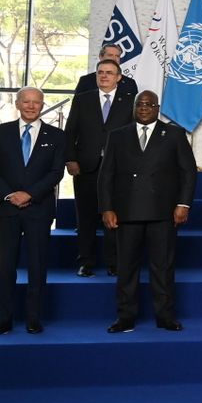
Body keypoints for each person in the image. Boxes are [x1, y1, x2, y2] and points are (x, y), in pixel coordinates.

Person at [99, 91, 196, 333]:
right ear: (134, 107)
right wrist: (107, 207)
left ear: (157, 108)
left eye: (149, 104)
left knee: (162, 267)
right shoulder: (118, 135)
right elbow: (106, 175)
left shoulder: (173, 134)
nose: (143, 108)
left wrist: (183, 204)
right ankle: (125, 317)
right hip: (127, 211)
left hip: (163, 212)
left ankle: (165, 316)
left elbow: (188, 172)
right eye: (139, 104)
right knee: (126, 268)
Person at [0, 87, 66, 335]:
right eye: (26, 102)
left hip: (38, 209)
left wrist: (30, 194)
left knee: (37, 266)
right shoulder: (1, 132)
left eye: (36, 102)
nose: (31, 106)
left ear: (42, 105)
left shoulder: (57, 135)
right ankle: (3, 320)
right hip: (6, 208)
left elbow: (56, 172)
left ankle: (33, 319)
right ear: (17, 104)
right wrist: (11, 195)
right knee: (6, 266)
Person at [63, 57, 132, 276]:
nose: (104, 76)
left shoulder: (129, 101)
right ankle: (86, 262)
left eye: (109, 73)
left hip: (118, 169)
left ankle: (114, 263)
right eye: (100, 72)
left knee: (115, 216)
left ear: (118, 78)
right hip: (85, 167)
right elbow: (70, 131)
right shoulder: (83, 99)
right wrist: (70, 159)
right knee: (85, 218)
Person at [71, 42, 139, 102]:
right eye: (110, 55)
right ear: (101, 57)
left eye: (117, 56)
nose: (114, 59)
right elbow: (78, 105)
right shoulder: (86, 81)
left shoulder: (129, 83)